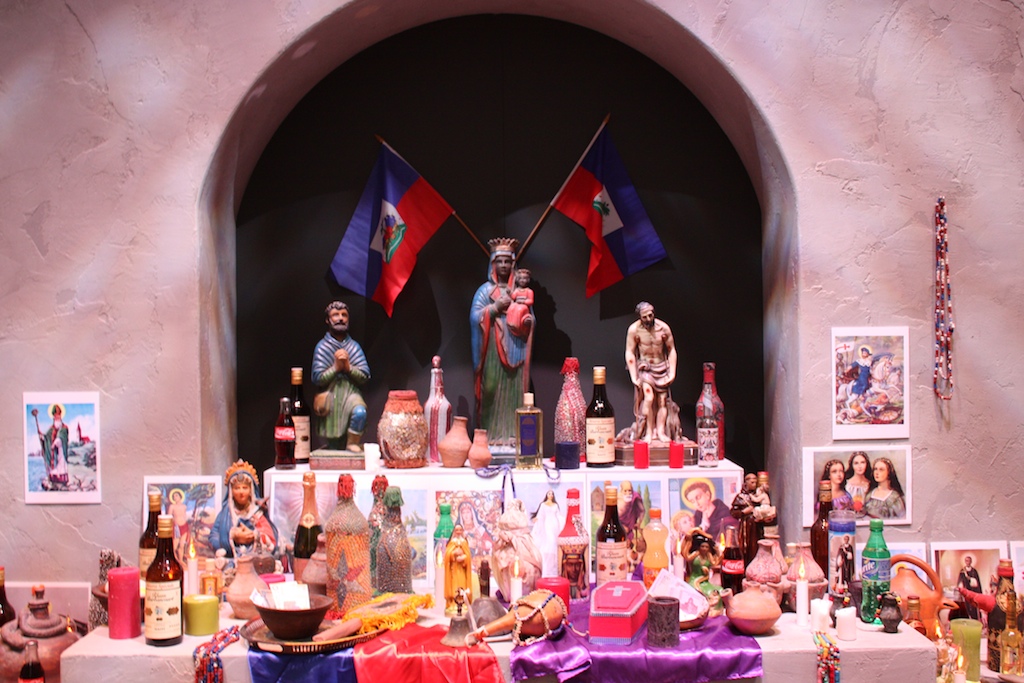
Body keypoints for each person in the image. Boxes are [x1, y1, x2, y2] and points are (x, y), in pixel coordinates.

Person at [470, 238, 532, 447]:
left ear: (513, 264)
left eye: (508, 262)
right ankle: (489, 437)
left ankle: (513, 437)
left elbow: (530, 317)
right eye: (500, 262)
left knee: (515, 392)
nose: (504, 266)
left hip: (516, 347)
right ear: (493, 264)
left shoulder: (521, 292)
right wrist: (495, 308)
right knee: (490, 388)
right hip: (492, 351)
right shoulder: (485, 291)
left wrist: (527, 322)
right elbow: (474, 317)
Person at [311, 301, 369, 452]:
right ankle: (335, 447)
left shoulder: (354, 347)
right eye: (335, 315)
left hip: (351, 393)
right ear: (328, 320)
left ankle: (352, 443)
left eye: (344, 315)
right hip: (331, 396)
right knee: (334, 442)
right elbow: (317, 377)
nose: (340, 318)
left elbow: (364, 375)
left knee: (360, 412)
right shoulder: (322, 347)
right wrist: (336, 368)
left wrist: (348, 368)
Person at [624, 301, 681, 443]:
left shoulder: (663, 328)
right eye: (645, 317)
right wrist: (633, 375)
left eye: (650, 315)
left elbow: (671, 349)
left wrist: (672, 371)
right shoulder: (634, 330)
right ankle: (648, 432)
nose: (649, 319)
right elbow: (630, 352)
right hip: (646, 368)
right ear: (639, 317)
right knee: (648, 398)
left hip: (661, 367)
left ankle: (660, 431)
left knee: (662, 401)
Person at [210, 459, 279, 559]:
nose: (241, 492)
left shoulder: (257, 512)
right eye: (237, 488)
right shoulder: (226, 514)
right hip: (232, 560)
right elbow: (214, 536)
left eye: (245, 488)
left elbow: (271, 539)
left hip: (255, 560)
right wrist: (231, 537)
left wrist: (254, 536)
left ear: (251, 490)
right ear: (231, 491)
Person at [31, 404, 70, 487]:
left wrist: (57, 442)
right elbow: (46, 437)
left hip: (60, 451)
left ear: (60, 415)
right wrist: (41, 436)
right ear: (53, 416)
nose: (57, 417)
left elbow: (63, 436)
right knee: (54, 467)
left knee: (61, 464)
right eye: (55, 415)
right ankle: (54, 478)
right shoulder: (51, 428)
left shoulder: (64, 427)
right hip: (53, 453)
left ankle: (62, 478)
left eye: (58, 415)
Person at [530, 490, 562, 577]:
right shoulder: (543, 505)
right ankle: (546, 562)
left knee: (553, 541)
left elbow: (558, 515)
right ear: (546, 494)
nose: (550, 495)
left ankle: (553, 565)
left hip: (554, 524)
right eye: (549, 493)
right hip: (547, 524)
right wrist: (537, 519)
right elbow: (540, 515)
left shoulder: (555, 505)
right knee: (548, 539)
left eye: (552, 494)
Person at [444, 524, 473, 614]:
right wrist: (453, 554)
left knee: (462, 586)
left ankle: (463, 602)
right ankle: (453, 603)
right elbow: (447, 555)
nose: (458, 532)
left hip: (462, 570)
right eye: (457, 530)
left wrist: (464, 558)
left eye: (460, 530)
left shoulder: (464, 542)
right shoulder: (452, 542)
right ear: (454, 531)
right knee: (454, 587)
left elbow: (468, 556)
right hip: (454, 570)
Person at [506, 268, 535, 339]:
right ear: (517, 280)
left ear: (528, 280)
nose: (522, 280)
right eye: (520, 278)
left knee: (520, 310)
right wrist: (510, 293)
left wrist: (523, 302)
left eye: (524, 278)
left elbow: (531, 301)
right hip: (517, 304)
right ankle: (510, 322)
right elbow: (513, 297)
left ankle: (517, 324)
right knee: (511, 307)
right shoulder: (517, 290)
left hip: (524, 306)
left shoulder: (529, 291)